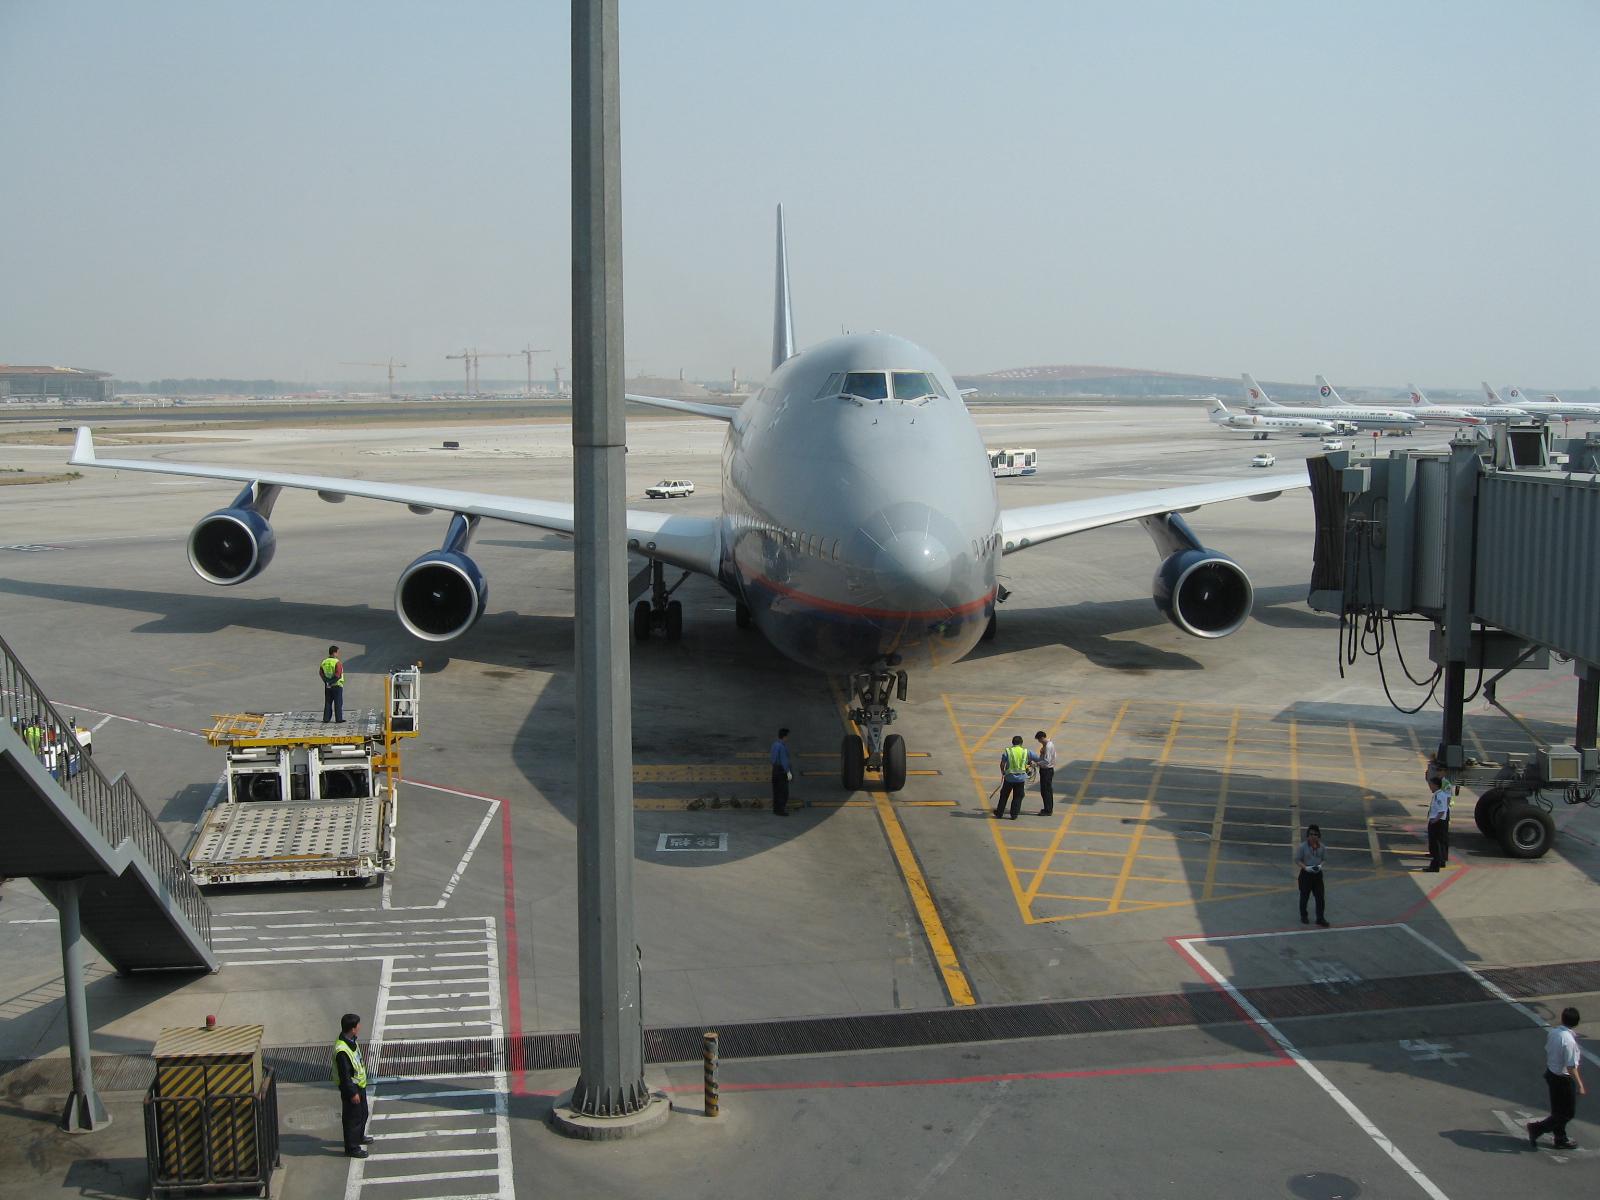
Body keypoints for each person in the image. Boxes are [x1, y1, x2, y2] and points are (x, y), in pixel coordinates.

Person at [1528, 1007, 1585, 1150]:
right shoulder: (1569, 1042)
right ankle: (1537, 1128)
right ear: (1576, 1022)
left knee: (1558, 1111)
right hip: (1563, 1079)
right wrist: (1580, 1085)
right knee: (1567, 1113)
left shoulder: (1554, 1033)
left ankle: (1560, 1138)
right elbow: (1571, 1066)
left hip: (1552, 1074)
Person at [332, 1012, 373, 1157]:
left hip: (359, 1085)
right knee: (352, 1119)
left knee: (362, 1114)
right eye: (358, 1025)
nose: (360, 1026)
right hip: (352, 1089)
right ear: (353, 1029)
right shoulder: (342, 1050)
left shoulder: (350, 1040)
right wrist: (352, 1093)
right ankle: (352, 1147)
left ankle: (359, 1137)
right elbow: (345, 1076)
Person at [1295, 824, 1329, 927]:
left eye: (1315, 834)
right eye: (1311, 834)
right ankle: (1304, 916)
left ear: (1318, 835)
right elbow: (1297, 859)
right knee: (1304, 896)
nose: (1313, 836)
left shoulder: (1322, 847)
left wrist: (1320, 866)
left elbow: (1324, 859)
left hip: (1317, 874)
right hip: (1306, 874)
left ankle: (1320, 918)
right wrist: (1305, 868)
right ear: (1308, 835)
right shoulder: (1303, 847)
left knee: (1320, 897)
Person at [995, 735, 1030, 820]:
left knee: (1004, 795)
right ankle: (1014, 814)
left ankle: (999, 813)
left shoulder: (1007, 752)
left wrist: (1003, 772)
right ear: (1021, 743)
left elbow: (1002, 764)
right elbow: (1036, 758)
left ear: (1012, 743)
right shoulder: (1026, 751)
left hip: (1009, 778)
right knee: (1018, 796)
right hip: (1021, 779)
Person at [1425, 776, 1453, 872]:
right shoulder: (1441, 794)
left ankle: (1435, 865)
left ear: (1435, 785)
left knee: (1435, 844)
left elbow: (1441, 810)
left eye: (1431, 785)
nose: (1430, 787)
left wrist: (1435, 820)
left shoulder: (1439, 796)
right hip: (1440, 821)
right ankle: (1441, 861)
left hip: (1437, 822)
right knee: (1440, 843)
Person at [1034, 730, 1058, 816]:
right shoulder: (1048, 744)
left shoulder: (1048, 746)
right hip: (1046, 769)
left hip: (1047, 770)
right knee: (1045, 790)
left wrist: (1037, 764)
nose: (1039, 742)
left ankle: (1048, 809)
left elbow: (1047, 760)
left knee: (1046, 790)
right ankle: (1047, 807)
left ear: (1042, 738)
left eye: (1039, 740)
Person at [770, 727, 792, 816]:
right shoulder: (782, 747)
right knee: (783, 792)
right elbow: (784, 760)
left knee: (776, 791)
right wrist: (787, 771)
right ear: (785, 737)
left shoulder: (774, 745)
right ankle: (780, 809)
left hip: (774, 769)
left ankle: (775, 808)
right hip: (781, 771)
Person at [320, 645, 345, 724]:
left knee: (328, 701)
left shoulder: (324, 662)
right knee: (338, 702)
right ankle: (339, 718)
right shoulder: (337, 663)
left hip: (327, 686)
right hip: (337, 685)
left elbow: (321, 673)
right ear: (334, 653)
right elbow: (338, 675)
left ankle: (326, 718)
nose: (338, 654)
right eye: (338, 652)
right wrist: (331, 682)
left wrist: (327, 682)